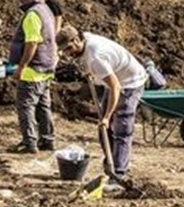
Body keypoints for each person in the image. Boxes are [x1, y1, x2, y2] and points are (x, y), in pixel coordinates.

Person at [55, 26, 146, 184]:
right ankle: (110, 164)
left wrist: (107, 116)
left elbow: (116, 87)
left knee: (121, 128)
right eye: (65, 51)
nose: (68, 54)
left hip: (130, 83)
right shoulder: (86, 40)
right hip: (114, 80)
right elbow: (91, 60)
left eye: (69, 49)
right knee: (104, 127)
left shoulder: (97, 57)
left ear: (77, 40)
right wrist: (90, 71)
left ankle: (119, 174)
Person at [7, 0, 57, 154]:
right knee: (43, 107)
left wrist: (21, 67)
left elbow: (32, 43)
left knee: (26, 106)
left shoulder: (32, 15)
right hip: (46, 67)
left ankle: (29, 143)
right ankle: (47, 140)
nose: (19, 0)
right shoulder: (46, 10)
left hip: (33, 70)